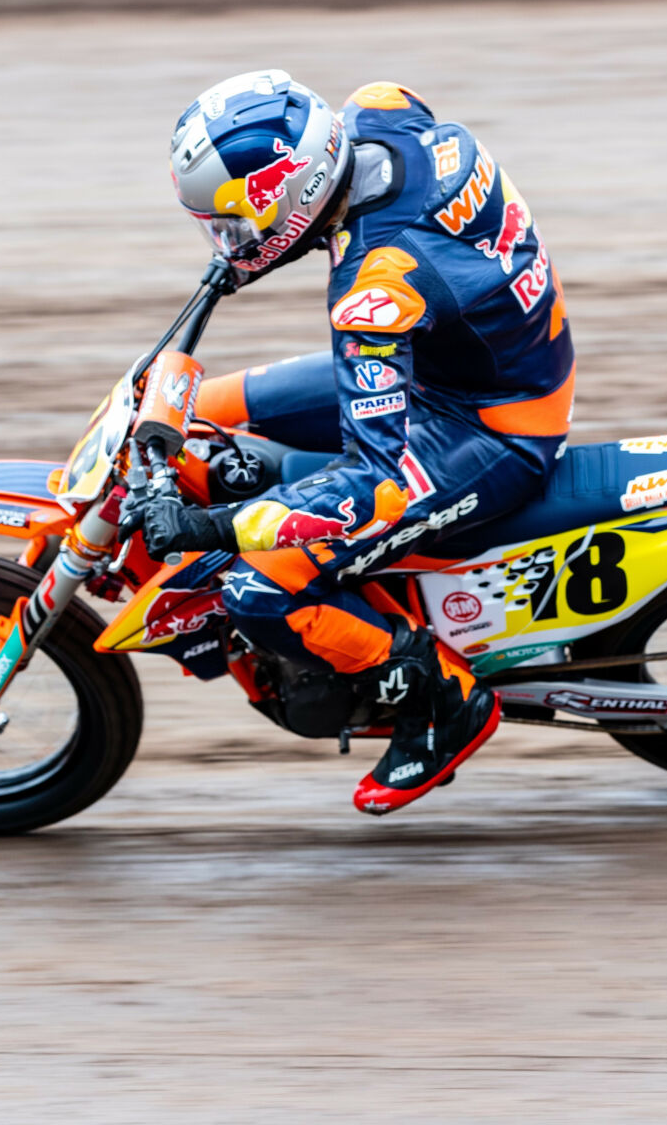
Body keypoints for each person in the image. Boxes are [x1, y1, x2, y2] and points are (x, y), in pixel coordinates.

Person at [134, 69, 575, 815]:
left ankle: (446, 702)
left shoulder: (374, 290)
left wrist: (209, 528)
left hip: (491, 422)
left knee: (256, 587)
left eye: (236, 222)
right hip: (461, 357)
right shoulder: (379, 109)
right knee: (206, 408)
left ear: (293, 192)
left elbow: (374, 483)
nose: (229, 242)